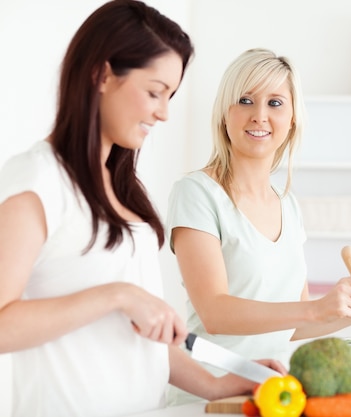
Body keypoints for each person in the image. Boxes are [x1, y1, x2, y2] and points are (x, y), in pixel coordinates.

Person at [0, 4, 285, 417]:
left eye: (170, 96)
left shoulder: (121, 190)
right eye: (155, 92)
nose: (164, 112)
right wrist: (118, 295)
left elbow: (140, 336)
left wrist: (217, 383)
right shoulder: (38, 181)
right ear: (102, 74)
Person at [166, 48, 351, 404]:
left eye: (275, 103)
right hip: (209, 393)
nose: (259, 115)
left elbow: (296, 325)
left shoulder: (287, 204)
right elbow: (215, 312)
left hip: (274, 393)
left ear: (291, 119)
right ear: (225, 114)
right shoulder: (196, 193)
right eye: (245, 100)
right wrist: (316, 308)